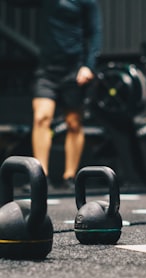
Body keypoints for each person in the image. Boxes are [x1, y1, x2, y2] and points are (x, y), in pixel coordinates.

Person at [31, 0, 102, 189]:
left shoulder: (87, 2)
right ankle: (41, 177)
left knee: (73, 122)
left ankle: (69, 177)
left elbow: (95, 33)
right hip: (47, 69)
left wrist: (88, 66)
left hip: (74, 69)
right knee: (41, 117)